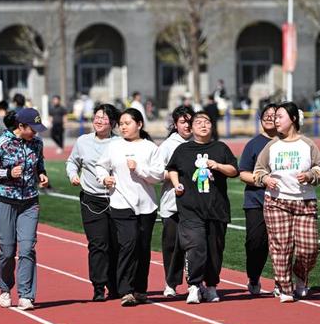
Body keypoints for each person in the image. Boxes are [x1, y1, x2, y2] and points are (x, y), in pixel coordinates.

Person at [253, 101, 320, 303]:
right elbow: (258, 171)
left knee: (310, 249)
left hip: (305, 203)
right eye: (274, 117)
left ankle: (300, 275)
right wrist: (265, 178)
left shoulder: (308, 144)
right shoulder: (271, 146)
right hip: (277, 202)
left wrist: (311, 175)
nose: (275, 120)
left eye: (280, 116)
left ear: (293, 119)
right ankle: (285, 288)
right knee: (281, 247)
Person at [167, 111, 239, 304]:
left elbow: (234, 170)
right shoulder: (183, 150)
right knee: (196, 246)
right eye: (198, 122)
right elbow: (172, 168)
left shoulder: (221, 148)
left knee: (215, 250)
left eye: (207, 122)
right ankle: (194, 285)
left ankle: (212, 286)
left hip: (217, 209)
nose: (203, 125)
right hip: (190, 208)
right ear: (192, 128)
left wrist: (217, 166)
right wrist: (177, 185)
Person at [95, 108, 164, 307]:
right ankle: (126, 290)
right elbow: (101, 165)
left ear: (139, 124)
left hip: (146, 206)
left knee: (143, 248)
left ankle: (141, 290)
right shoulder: (114, 146)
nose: (123, 127)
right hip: (120, 202)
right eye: (121, 124)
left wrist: (139, 169)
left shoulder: (150, 148)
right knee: (128, 244)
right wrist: (104, 178)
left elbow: (158, 176)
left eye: (128, 123)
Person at [0, 107, 49, 311]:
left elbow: (39, 164)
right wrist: (8, 173)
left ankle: (26, 295)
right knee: (7, 250)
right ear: (21, 126)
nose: (36, 133)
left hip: (30, 201)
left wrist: (42, 174)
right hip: (5, 201)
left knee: (28, 248)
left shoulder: (37, 143)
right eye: (33, 128)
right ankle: (4, 288)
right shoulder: (3, 143)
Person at [66, 103, 121, 301]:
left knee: (117, 245)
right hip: (92, 200)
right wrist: (73, 174)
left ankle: (115, 285)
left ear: (113, 123)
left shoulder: (119, 142)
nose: (99, 121)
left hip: (117, 199)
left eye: (104, 118)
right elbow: (72, 162)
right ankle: (99, 287)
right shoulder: (83, 141)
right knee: (98, 244)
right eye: (97, 117)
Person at [238, 103, 278, 295]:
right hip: (256, 201)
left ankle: (282, 281)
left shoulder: (290, 144)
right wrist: (263, 181)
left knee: (284, 244)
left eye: (275, 114)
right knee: (255, 243)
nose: (270, 117)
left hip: (284, 202)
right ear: (261, 119)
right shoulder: (253, 144)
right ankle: (253, 277)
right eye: (266, 115)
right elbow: (243, 173)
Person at [158, 105, 194, 297]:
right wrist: (176, 176)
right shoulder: (168, 145)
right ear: (175, 124)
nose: (187, 126)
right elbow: (155, 171)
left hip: (196, 204)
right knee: (172, 245)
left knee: (195, 244)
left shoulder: (201, 143)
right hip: (172, 204)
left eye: (190, 121)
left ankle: (194, 282)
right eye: (182, 122)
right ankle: (171, 283)